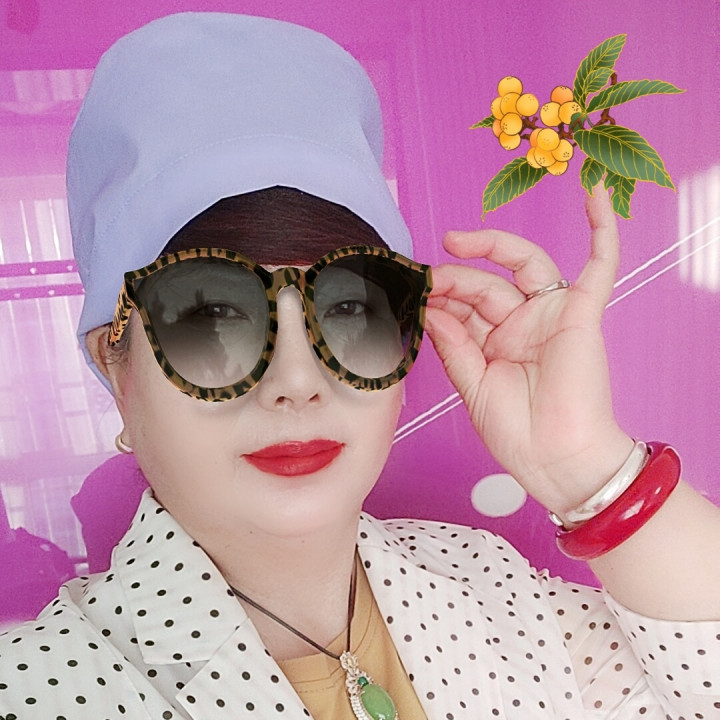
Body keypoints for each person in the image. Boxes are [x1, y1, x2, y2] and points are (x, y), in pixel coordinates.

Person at [1, 12, 719, 720]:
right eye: (211, 316)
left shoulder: (485, 579)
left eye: (347, 309)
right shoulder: (35, 688)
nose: (297, 382)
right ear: (117, 369)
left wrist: (582, 466)